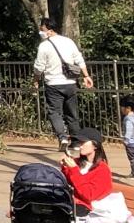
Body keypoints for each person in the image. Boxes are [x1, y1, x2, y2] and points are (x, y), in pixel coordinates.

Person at [32, 16, 92, 153]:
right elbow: (79, 59)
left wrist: (35, 80)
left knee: (55, 112)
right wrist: (86, 76)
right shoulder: (68, 42)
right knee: (72, 113)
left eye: (42, 28)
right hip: (70, 83)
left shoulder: (44, 46)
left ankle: (63, 137)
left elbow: (39, 67)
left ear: (49, 30)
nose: (41, 31)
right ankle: (76, 143)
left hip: (53, 84)